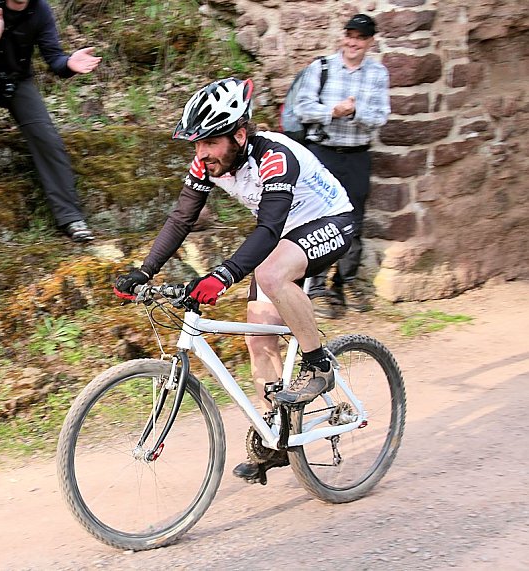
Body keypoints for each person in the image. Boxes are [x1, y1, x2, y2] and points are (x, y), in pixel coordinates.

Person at [114, 78, 355, 482]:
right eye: (196, 144)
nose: (201, 153)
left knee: (271, 273)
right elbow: (181, 219)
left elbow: (269, 226)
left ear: (239, 135)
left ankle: (319, 365)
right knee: (259, 338)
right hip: (284, 235)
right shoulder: (208, 162)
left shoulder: (275, 157)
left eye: (209, 142)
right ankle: (277, 435)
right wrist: (144, 270)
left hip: (329, 221)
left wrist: (223, 275)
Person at [0, 0, 101, 243]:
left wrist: (68, 63)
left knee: (48, 139)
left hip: (18, 83)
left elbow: (53, 58)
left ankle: (71, 218)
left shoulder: (40, 9)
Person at [295, 13, 390, 318]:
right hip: (323, 153)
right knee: (319, 220)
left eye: (360, 37)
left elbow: (380, 117)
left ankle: (345, 281)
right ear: (343, 37)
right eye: (350, 35)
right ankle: (317, 286)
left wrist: (354, 112)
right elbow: (303, 108)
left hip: (357, 154)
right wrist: (332, 112)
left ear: (370, 42)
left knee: (354, 219)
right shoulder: (321, 67)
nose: (353, 42)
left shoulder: (377, 74)